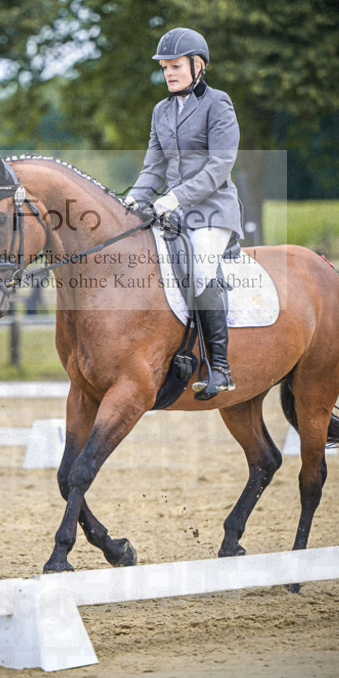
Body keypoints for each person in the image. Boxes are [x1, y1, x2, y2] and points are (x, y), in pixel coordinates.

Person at [124, 27, 242, 399]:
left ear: (197, 65)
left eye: (175, 66)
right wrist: (132, 199)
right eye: (164, 68)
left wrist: (174, 197)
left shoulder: (218, 103)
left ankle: (219, 367)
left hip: (212, 211)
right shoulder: (160, 110)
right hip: (171, 211)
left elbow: (219, 166)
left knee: (201, 267)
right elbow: (153, 167)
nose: (169, 73)